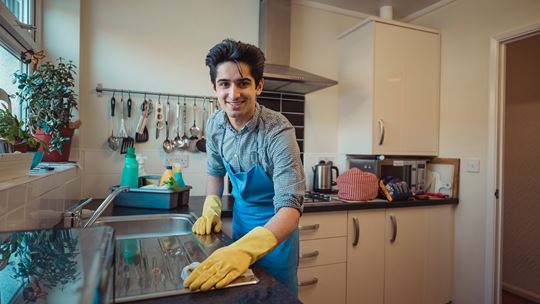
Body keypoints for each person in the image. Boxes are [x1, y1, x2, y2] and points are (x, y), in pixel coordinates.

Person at [183, 39, 306, 295]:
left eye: (243, 83)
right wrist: (211, 207)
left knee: (276, 298)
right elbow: (215, 171)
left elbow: (290, 209)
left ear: (258, 86)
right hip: (240, 228)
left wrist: (245, 250)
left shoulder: (278, 131)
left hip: (277, 238)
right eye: (224, 84)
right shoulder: (215, 125)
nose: (233, 94)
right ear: (214, 88)